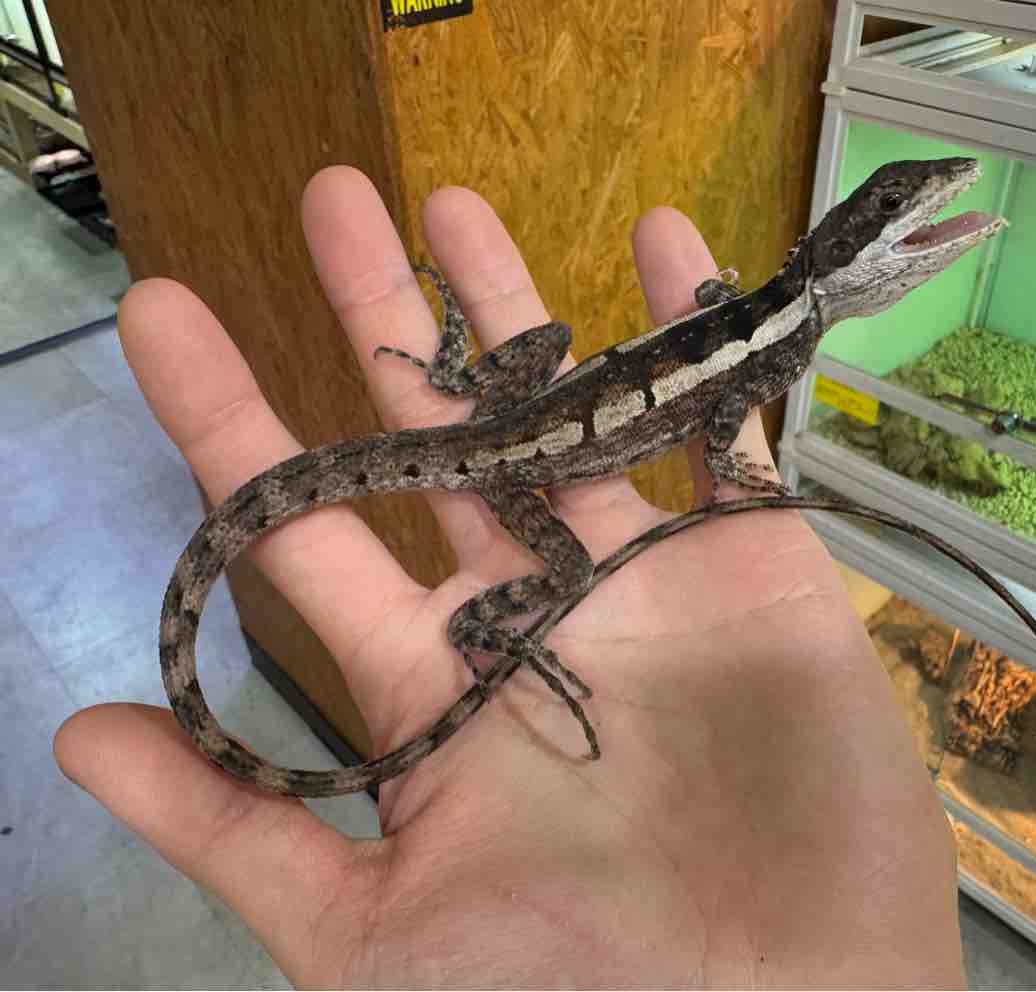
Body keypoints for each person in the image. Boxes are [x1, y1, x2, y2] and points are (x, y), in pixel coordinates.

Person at [54, 166, 964, 987]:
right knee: (571, 567)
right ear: (840, 249)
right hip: (508, 461)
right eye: (893, 204)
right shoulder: (784, 335)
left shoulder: (773, 314)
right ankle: (479, 624)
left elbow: (714, 325)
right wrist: (731, 467)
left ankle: (464, 382)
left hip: (515, 422)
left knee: (552, 342)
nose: (921, 201)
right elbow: (725, 411)